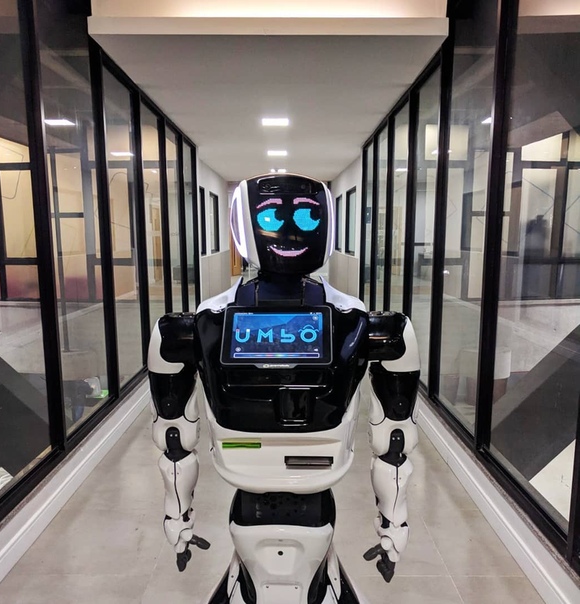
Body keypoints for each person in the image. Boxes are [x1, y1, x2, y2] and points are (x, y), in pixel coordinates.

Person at [148, 173, 421, 603]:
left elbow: (174, 436)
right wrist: (392, 522)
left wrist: (178, 517)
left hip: (245, 465)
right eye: (272, 217)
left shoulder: (204, 319)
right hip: (315, 466)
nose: (290, 231)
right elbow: (395, 437)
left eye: (307, 218)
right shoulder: (356, 317)